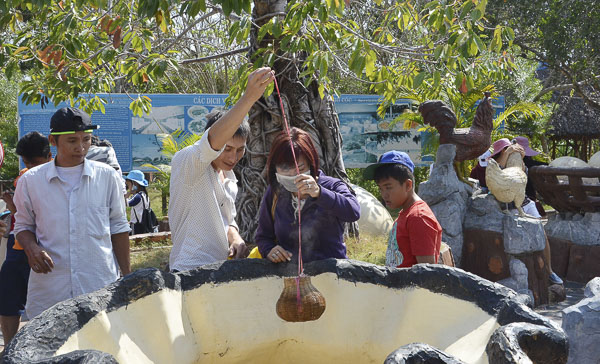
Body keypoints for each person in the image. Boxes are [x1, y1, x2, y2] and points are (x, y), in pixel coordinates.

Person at [13, 107, 131, 319]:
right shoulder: (31, 181)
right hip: (50, 288)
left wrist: (128, 276)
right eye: (72, 141)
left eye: (86, 139)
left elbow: (119, 227)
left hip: (98, 284)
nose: (81, 147)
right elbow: (23, 226)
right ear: (52, 141)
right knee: (50, 348)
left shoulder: (107, 177)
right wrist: (31, 248)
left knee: (100, 345)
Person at [168, 67, 274, 272]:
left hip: (219, 272)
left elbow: (226, 220)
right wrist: (249, 98)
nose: (233, 157)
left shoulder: (229, 180)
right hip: (188, 270)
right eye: (227, 149)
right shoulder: (188, 163)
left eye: (240, 150)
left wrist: (235, 238)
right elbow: (213, 141)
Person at [255, 128, 360, 263]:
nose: (293, 175)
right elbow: (263, 237)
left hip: (330, 276)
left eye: (300, 168)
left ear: (311, 163)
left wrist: (320, 193)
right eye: (285, 168)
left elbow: (353, 212)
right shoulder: (275, 192)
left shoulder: (332, 186)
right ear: (274, 167)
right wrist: (269, 250)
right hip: (289, 276)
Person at [0, 132, 52, 347]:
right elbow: (21, 216)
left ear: (49, 156)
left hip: (45, 247)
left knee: (46, 300)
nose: (30, 166)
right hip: (18, 246)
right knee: (8, 296)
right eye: (27, 162)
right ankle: (11, 347)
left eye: (35, 162)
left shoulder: (55, 179)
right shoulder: (23, 178)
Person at [364, 151, 442, 268]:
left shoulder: (418, 218)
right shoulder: (406, 214)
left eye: (388, 187)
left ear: (408, 185)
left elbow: (427, 275)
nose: (384, 195)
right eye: (381, 189)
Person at [124, 170, 153, 235]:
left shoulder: (138, 196)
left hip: (137, 225)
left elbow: (126, 203)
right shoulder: (144, 195)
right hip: (143, 223)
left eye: (129, 183)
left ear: (135, 183)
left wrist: (128, 192)